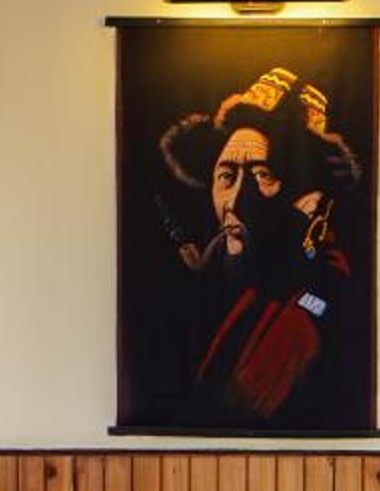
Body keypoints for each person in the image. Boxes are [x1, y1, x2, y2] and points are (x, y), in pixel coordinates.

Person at [147, 66, 367, 429]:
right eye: (226, 176)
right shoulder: (205, 273)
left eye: (262, 176)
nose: (236, 199)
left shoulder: (314, 299)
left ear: (304, 196)